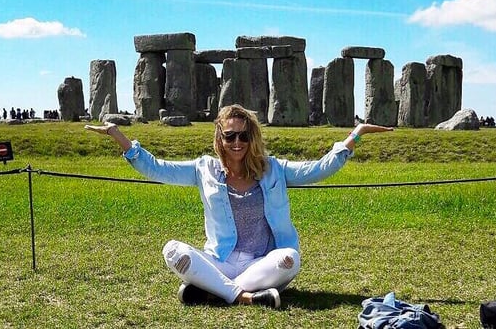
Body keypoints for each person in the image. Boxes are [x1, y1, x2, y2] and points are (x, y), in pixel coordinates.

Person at [85, 104, 393, 309]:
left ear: (252, 136)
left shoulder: (273, 168)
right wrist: (117, 135)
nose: (237, 142)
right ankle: (245, 297)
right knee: (172, 250)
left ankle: (213, 292)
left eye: (243, 135)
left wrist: (357, 134)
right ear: (220, 136)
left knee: (290, 258)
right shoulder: (203, 168)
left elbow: (318, 169)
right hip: (221, 259)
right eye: (230, 135)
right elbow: (156, 168)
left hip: (263, 262)